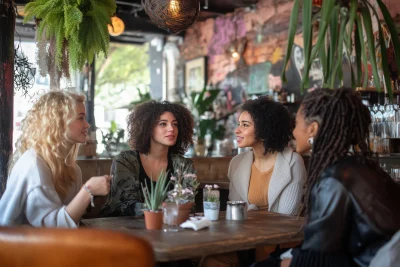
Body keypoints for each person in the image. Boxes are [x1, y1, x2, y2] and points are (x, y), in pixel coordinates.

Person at [255, 88, 400, 267]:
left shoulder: (334, 180)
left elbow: (318, 259)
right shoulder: (363, 168)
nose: (293, 131)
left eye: (297, 123)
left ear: (313, 129)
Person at [0, 91, 111, 227]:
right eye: (81, 118)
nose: (87, 125)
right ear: (60, 122)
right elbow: (53, 228)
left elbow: (70, 223)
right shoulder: (34, 166)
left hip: (48, 245)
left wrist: (91, 197)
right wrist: (88, 191)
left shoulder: (73, 170)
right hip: (17, 247)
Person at [100, 100, 195, 217]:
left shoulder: (184, 165)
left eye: (175, 124)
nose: (171, 129)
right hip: (124, 228)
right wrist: (166, 209)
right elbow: (126, 204)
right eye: (163, 124)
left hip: (168, 229)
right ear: (148, 128)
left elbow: (188, 203)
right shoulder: (126, 161)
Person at [228, 96, 306, 216]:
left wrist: (251, 210)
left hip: (279, 233)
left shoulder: (293, 162)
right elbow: (235, 212)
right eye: (239, 124)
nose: (237, 130)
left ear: (264, 130)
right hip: (241, 233)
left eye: (245, 125)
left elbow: (286, 217)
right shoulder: (236, 163)